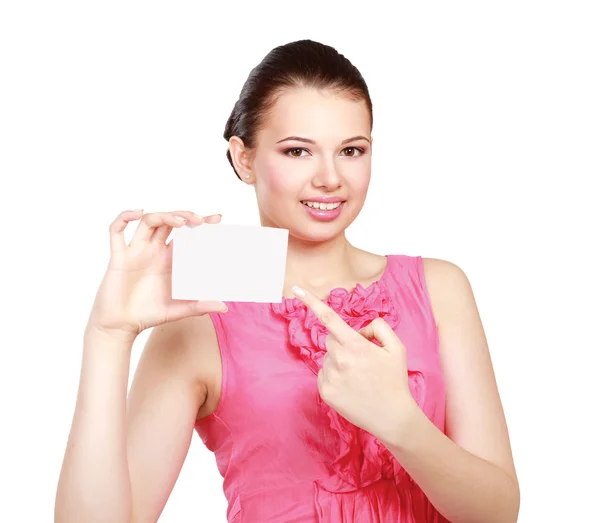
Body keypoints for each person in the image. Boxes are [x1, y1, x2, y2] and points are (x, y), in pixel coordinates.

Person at [55, 39, 519, 523]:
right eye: (298, 150)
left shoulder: (439, 288)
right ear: (244, 158)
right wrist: (108, 336)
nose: (330, 178)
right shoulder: (201, 315)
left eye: (351, 150)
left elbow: (498, 511)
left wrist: (400, 422)